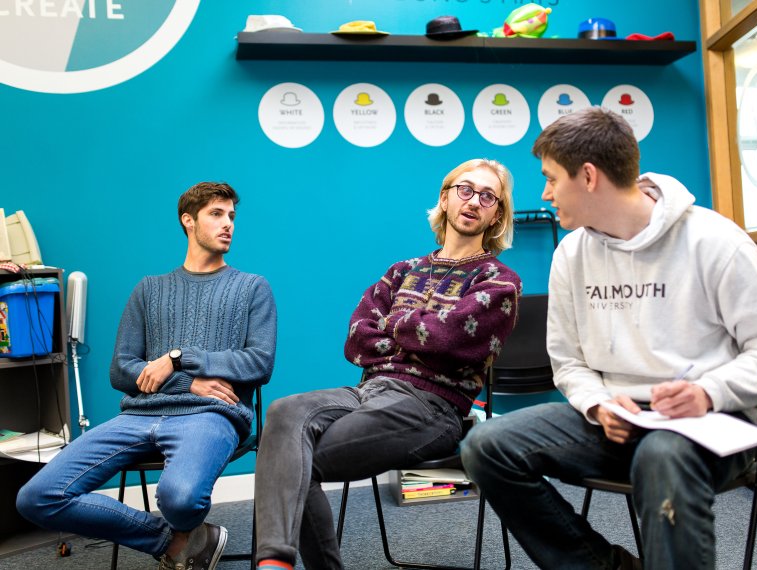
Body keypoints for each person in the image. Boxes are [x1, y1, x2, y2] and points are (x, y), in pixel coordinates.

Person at [461, 107, 757, 570]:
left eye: (551, 179)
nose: (545, 193)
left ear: (588, 176)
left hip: (710, 424)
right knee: (486, 445)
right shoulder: (571, 254)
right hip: (616, 420)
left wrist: (707, 391)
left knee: (663, 455)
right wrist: (599, 405)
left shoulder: (716, 242)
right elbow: (568, 362)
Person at [253, 158, 522, 570]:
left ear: (497, 214)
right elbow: (357, 337)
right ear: (446, 199)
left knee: (290, 462)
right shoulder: (402, 271)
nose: (474, 202)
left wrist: (396, 324)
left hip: (431, 406)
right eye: (465, 190)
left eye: (488, 196)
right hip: (367, 390)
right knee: (284, 412)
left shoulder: (499, 281)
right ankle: (275, 564)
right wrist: (419, 335)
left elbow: (452, 339)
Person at [17, 182, 277, 570]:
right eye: (216, 214)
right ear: (188, 221)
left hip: (211, 414)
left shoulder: (252, 287)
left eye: (232, 216)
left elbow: (259, 363)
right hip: (138, 416)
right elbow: (122, 369)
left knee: (181, 498)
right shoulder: (149, 290)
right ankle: (174, 542)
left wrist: (177, 358)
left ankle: (184, 535)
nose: (229, 225)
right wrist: (188, 382)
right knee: (37, 496)